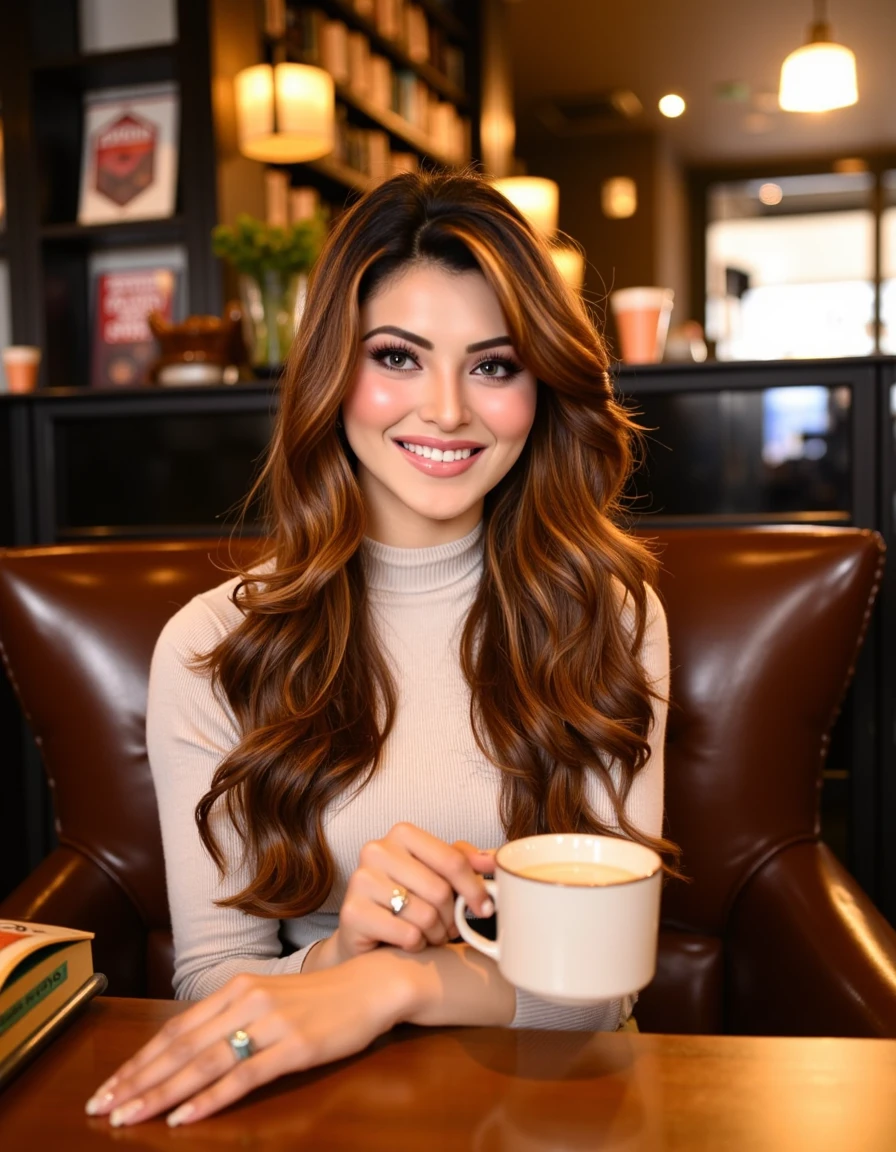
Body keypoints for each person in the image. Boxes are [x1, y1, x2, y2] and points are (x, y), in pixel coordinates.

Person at [85, 170, 676, 1129]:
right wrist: (337, 955)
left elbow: (600, 991)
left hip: (561, 1112)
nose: (446, 409)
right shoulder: (211, 644)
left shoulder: (607, 615)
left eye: (493, 365)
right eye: (398, 357)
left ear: (542, 384)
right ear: (331, 371)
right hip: (323, 1112)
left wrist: (389, 987)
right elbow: (216, 986)